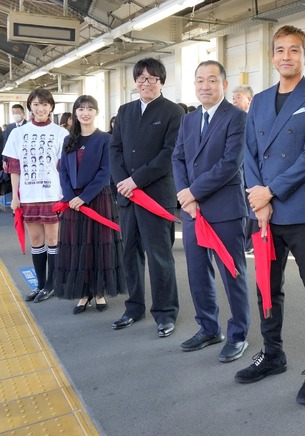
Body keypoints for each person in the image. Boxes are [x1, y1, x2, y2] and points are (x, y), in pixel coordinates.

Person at [235, 25, 305, 406]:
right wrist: (259, 201)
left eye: (294, 50)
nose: (286, 56)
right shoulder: (259, 101)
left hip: (303, 212)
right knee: (267, 288)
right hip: (266, 216)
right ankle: (273, 353)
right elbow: (250, 153)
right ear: (272, 57)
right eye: (280, 50)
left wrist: (271, 191)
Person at [172, 60, 251, 362]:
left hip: (225, 211)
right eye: (200, 81)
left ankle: (238, 334)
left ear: (224, 85)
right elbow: (178, 158)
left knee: (232, 273)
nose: (205, 86)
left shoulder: (237, 118)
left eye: (212, 80)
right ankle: (208, 327)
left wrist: (192, 192)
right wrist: (186, 198)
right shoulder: (188, 120)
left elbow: (230, 165)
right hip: (193, 212)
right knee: (197, 272)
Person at [109, 57, 183, 338]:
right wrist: (122, 182)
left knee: (159, 256)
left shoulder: (172, 112)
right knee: (130, 254)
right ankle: (134, 306)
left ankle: (165, 313)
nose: (145, 83)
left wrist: (135, 180)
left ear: (161, 82)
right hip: (127, 197)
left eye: (152, 78)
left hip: (155, 197)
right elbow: (114, 149)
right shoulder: (125, 111)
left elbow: (169, 154)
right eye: (141, 78)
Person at [55, 95, 126, 314]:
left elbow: (106, 172)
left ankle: (99, 292)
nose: (85, 113)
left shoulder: (105, 138)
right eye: (81, 109)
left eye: (90, 109)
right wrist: (69, 197)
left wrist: (84, 197)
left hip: (97, 199)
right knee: (78, 246)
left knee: (99, 245)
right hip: (73, 203)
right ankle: (83, 293)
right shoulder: (69, 140)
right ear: (75, 113)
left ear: (96, 112)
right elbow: (63, 171)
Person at [2, 89, 68, 302]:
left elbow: (64, 168)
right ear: (30, 106)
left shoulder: (60, 133)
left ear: (51, 107)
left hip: (52, 194)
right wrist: (15, 197)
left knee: (52, 239)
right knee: (37, 241)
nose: (41, 108)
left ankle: (52, 284)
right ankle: (41, 284)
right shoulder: (18, 133)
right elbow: (14, 167)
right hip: (28, 195)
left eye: (45, 104)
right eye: (36, 104)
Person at [231, 85, 257, 254]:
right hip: (234, 170)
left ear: (249, 100)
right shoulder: (230, 119)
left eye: (238, 97)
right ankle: (242, 240)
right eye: (233, 97)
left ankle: (250, 242)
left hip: (251, 171)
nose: (234, 100)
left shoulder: (255, 119)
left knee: (251, 207)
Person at [3, 104, 28, 169]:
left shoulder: (28, 125)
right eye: (13, 113)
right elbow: (6, 143)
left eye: (17, 113)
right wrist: (4, 159)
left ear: (23, 113)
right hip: (13, 159)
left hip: (25, 158)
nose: (15, 115)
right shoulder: (10, 127)